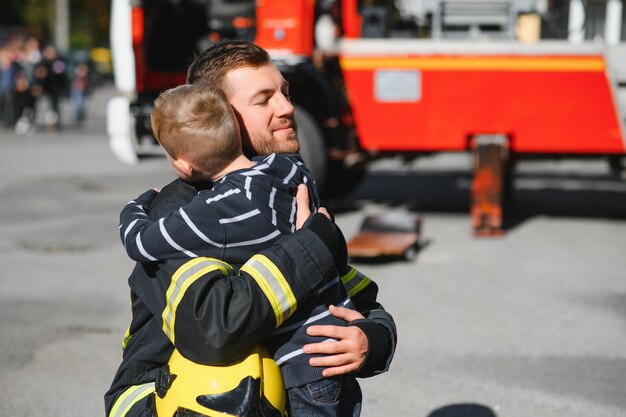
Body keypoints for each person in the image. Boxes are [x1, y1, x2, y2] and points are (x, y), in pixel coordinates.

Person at [105, 40, 396, 417]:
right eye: (264, 100)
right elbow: (212, 328)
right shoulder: (182, 214)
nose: (287, 108)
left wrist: (373, 339)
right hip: (163, 403)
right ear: (221, 116)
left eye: (284, 93)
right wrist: (313, 243)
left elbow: (346, 288)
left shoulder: (278, 189)